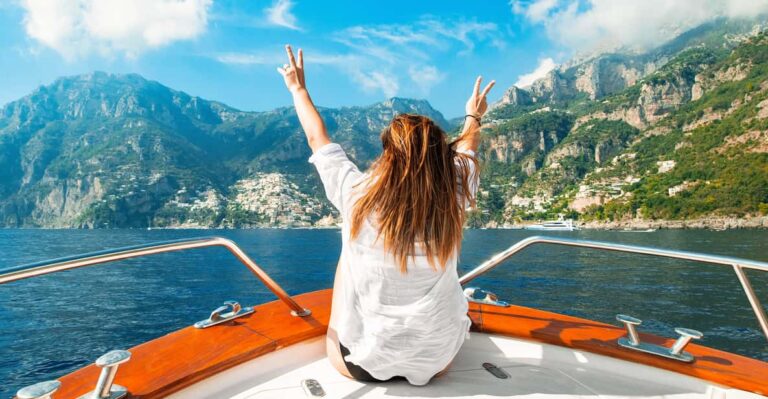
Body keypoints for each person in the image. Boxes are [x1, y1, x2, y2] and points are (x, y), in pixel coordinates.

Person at [277, 45, 494, 385]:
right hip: (435, 360)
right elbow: (467, 150)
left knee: (345, 252)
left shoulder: (356, 194)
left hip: (358, 364)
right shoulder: (455, 194)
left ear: (388, 154)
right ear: (441, 156)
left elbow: (316, 137)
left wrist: (298, 89)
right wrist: (473, 116)